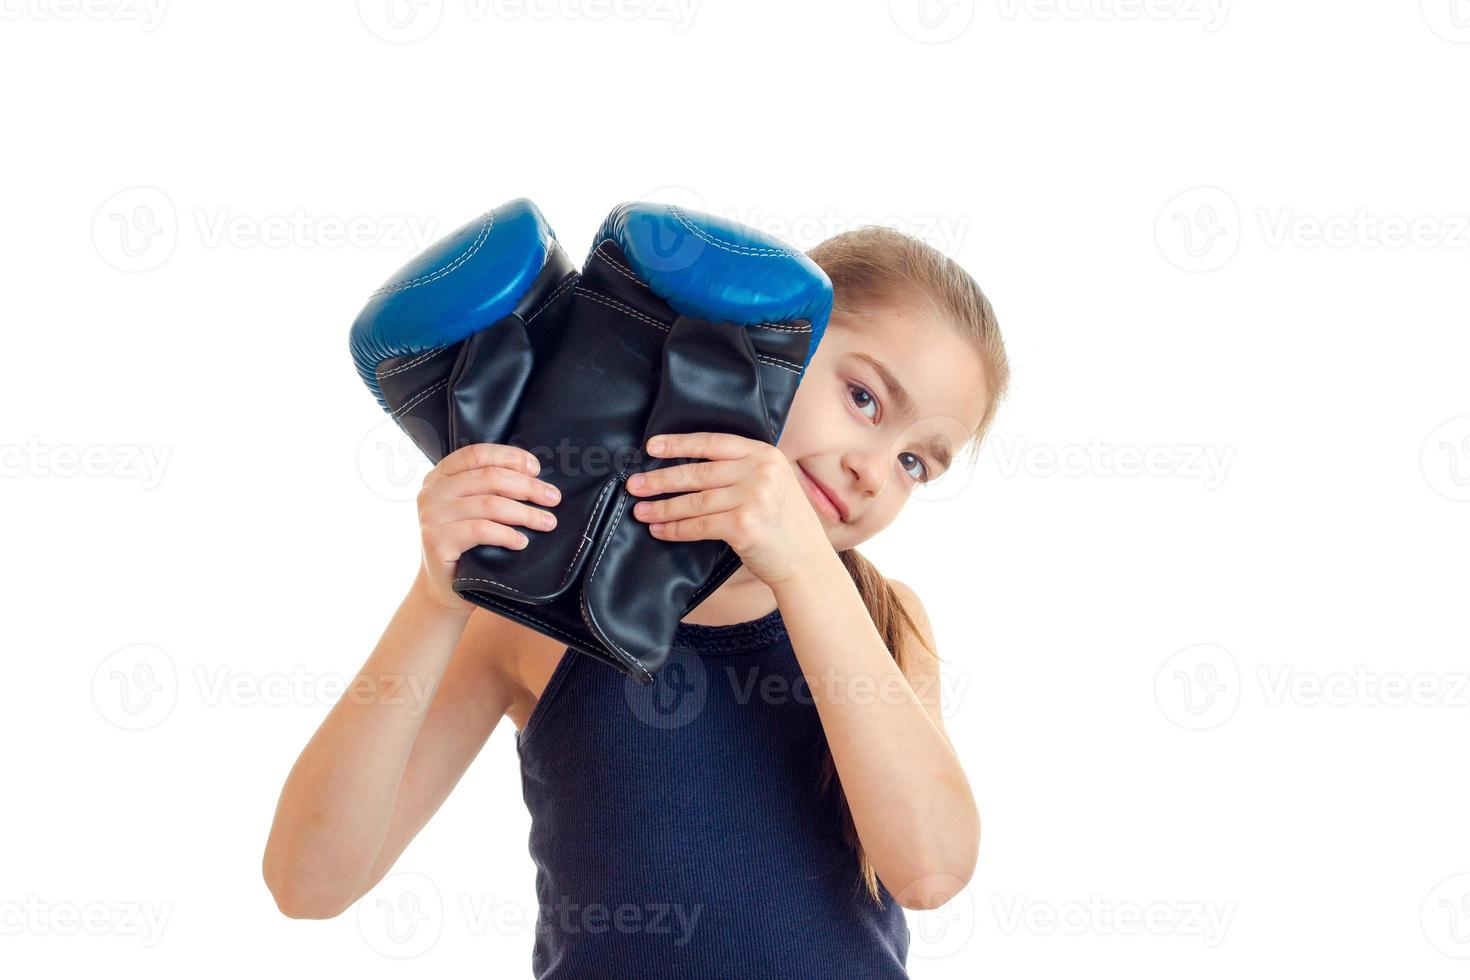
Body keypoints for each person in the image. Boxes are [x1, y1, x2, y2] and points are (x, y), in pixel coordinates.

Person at [263, 222, 1011, 977]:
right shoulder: (541, 605)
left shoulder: (886, 621)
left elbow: (930, 872)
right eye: (864, 399)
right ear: (765, 347)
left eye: (916, 463)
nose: (875, 472)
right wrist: (437, 597)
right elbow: (308, 884)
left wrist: (805, 571)